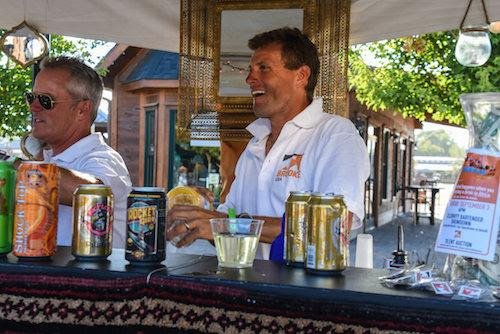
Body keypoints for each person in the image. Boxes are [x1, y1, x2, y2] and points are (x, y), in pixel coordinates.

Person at [167, 27, 370, 258]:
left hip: (303, 291)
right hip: (246, 288)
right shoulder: (255, 144)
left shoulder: (335, 135)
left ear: (301, 75)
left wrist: (225, 224)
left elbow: (333, 225)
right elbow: (225, 227)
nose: (249, 79)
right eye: (250, 70)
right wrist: (199, 216)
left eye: (263, 68)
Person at [22, 56, 132, 248]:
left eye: (45, 100)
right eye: (31, 97)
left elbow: (95, 194)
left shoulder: (103, 159)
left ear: (82, 109)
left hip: (89, 278)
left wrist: (13, 166)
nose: (34, 107)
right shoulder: (48, 159)